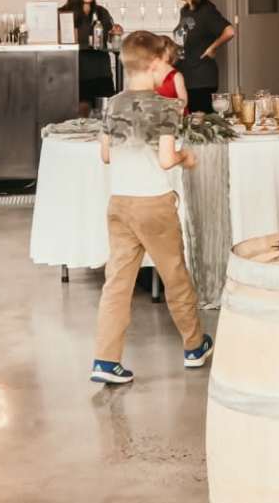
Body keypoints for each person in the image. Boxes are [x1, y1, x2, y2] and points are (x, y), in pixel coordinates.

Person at [89, 30, 213, 391]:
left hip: (120, 204)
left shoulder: (112, 104)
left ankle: (106, 360)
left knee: (117, 283)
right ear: (156, 64)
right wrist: (185, 157)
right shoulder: (166, 107)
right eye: (165, 65)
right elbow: (164, 160)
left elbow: (105, 154)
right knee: (174, 274)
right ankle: (193, 346)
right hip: (154, 204)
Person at [172, 0, 235, 110]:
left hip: (202, 78)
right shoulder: (185, 11)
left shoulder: (206, 10)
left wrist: (213, 47)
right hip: (186, 76)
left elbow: (230, 31)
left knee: (200, 124)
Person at [62, 0, 119, 107]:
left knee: (104, 115)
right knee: (80, 118)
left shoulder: (102, 12)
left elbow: (110, 39)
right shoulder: (64, 13)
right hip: (77, 74)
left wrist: (115, 32)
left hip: (101, 73)